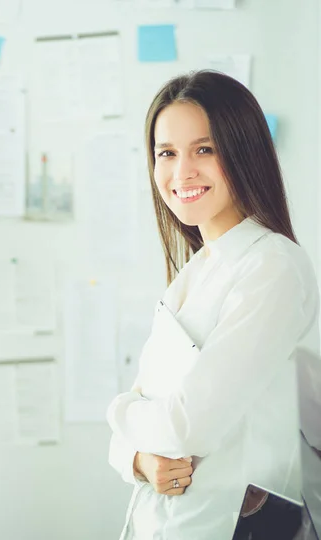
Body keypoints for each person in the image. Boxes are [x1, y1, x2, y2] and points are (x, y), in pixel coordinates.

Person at [106, 70, 320, 540]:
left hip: (238, 527)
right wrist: (138, 460)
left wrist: (119, 413)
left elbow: (186, 426)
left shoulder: (272, 266)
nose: (182, 171)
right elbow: (147, 434)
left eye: (204, 149)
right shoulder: (196, 273)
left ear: (243, 152)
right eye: (167, 153)